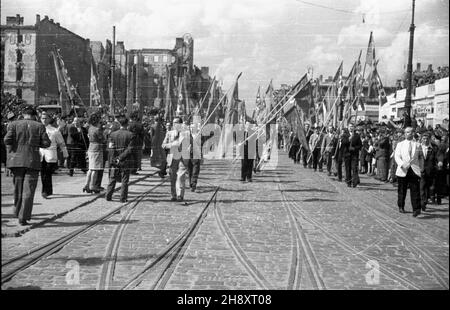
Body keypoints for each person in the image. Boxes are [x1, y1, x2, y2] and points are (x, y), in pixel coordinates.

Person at [4, 106, 51, 225]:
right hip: (32, 161)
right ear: (34, 115)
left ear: (23, 114)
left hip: (16, 162)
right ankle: (23, 216)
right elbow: (46, 143)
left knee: (18, 188)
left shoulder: (14, 124)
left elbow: (7, 140)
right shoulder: (39, 126)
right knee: (28, 190)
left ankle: (16, 211)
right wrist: (35, 144)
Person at [105, 114, 136, 203]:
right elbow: (130, 149)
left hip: (115, 160)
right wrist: (120, 158)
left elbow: (111, 148)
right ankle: (122, 198)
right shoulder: (131, 135)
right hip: (125, 160)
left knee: (113, 178)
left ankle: (108, 195)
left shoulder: (113, 134)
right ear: (127, 124)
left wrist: (115, 158)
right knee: (124, 180)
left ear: (119, 124)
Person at [394, 127, 424, 217]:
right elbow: (397, 156)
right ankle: (401, 206)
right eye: (407, 132)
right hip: (403, 169)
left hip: (414, 170)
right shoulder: (400, 144)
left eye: (410, 132)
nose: (408, 134)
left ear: (413, 133)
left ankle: (416, 209)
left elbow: (421, 157)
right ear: (404, 133)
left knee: (415, 190)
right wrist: (402, 164)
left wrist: (421, 168)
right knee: (402, 190)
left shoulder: (418, 145)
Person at [39, 113, 68, 199]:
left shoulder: (54, 131)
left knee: (47, 173)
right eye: (42, 118)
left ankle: (45, 190)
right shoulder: (37, 129)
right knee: (42, 173)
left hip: (50, 154)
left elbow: (61, 143)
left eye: (45, 118)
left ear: (49, 119)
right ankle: (47, 190)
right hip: (41, 154)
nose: (44, 120)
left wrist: (65, 154)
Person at [162, 117, 188, 202]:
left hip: (182, 158)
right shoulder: (169, 133)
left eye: (176, 122)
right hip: (172, 158)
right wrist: (172, 144)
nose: (174, 124)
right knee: (173, 177)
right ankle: (173, 195)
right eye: (173, 122)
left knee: (181, 177)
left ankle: (180, 195)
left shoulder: (186, 133)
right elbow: (163, 145)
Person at [84, 113, 106, 193]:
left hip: (90, 147)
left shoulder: (90, 128)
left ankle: (86, 184)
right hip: (97, 148)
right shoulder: (97, 129)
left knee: (90, 168)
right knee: (95, 169)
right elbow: (102, 139)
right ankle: (92, 186)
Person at [419, 133, 437, 211]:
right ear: (421, 139)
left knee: (427, 186)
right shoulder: (418, 147)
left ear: (429, 139)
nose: (425, 140)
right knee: (422, 186)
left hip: (430, 170)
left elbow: (436, 158)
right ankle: (423, 202)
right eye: (424, 139)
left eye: (427, 139)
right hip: (421, 170)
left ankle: (425, 200)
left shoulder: (433, 148)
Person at [187, 121, 202, 192]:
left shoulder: (198, 135)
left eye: (193, 127)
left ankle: (194, 183)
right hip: (188, 154)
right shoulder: (187, 135)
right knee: (189, 170)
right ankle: (191, 183)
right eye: (191, 127)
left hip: (196, 154)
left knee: (195, 170)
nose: (192, 128)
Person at [346, 123, 362, 187]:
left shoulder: (357, 135)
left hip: (354, 155)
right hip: (347, 154)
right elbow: (343, 143)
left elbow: (360, 145)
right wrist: (348, 140)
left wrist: (354, 148)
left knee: (354, 168)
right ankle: (348, 182)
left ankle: (355, 182)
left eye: (352, 126)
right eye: (350, 126)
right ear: (348, 127)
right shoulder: (345, 135)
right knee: (348, 169)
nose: (351, 128)